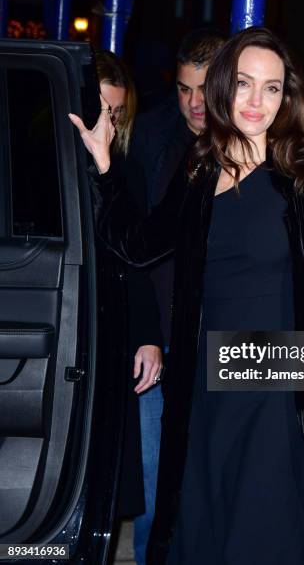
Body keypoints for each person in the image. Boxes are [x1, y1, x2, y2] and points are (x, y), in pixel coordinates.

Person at [70, 27, 304, 565]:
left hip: (278, 377)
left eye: (272, 89)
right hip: (205, 379)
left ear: (286, 97)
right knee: (206, 523)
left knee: (268, 529)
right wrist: (106, 166)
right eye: (245, 84)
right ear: (222, 87)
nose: (256, 101)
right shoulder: (200, 171)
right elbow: (138, 245)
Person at [127, 29, 225, 564]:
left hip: (223, 346)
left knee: (215, 477)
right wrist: (147, 335)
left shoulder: (252, 147)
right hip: (161, 345)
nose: (192, 103)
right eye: (184, 89)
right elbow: (136, 249)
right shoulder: (152, 139)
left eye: (202, 90)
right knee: (153, 476)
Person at [94, 51, 163, 561]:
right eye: (99, 108)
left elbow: (137, 260)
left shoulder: (128, 172)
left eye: (115, 113)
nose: (107, 123)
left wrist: (147, 335)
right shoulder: (38, 159)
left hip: (113, 329)